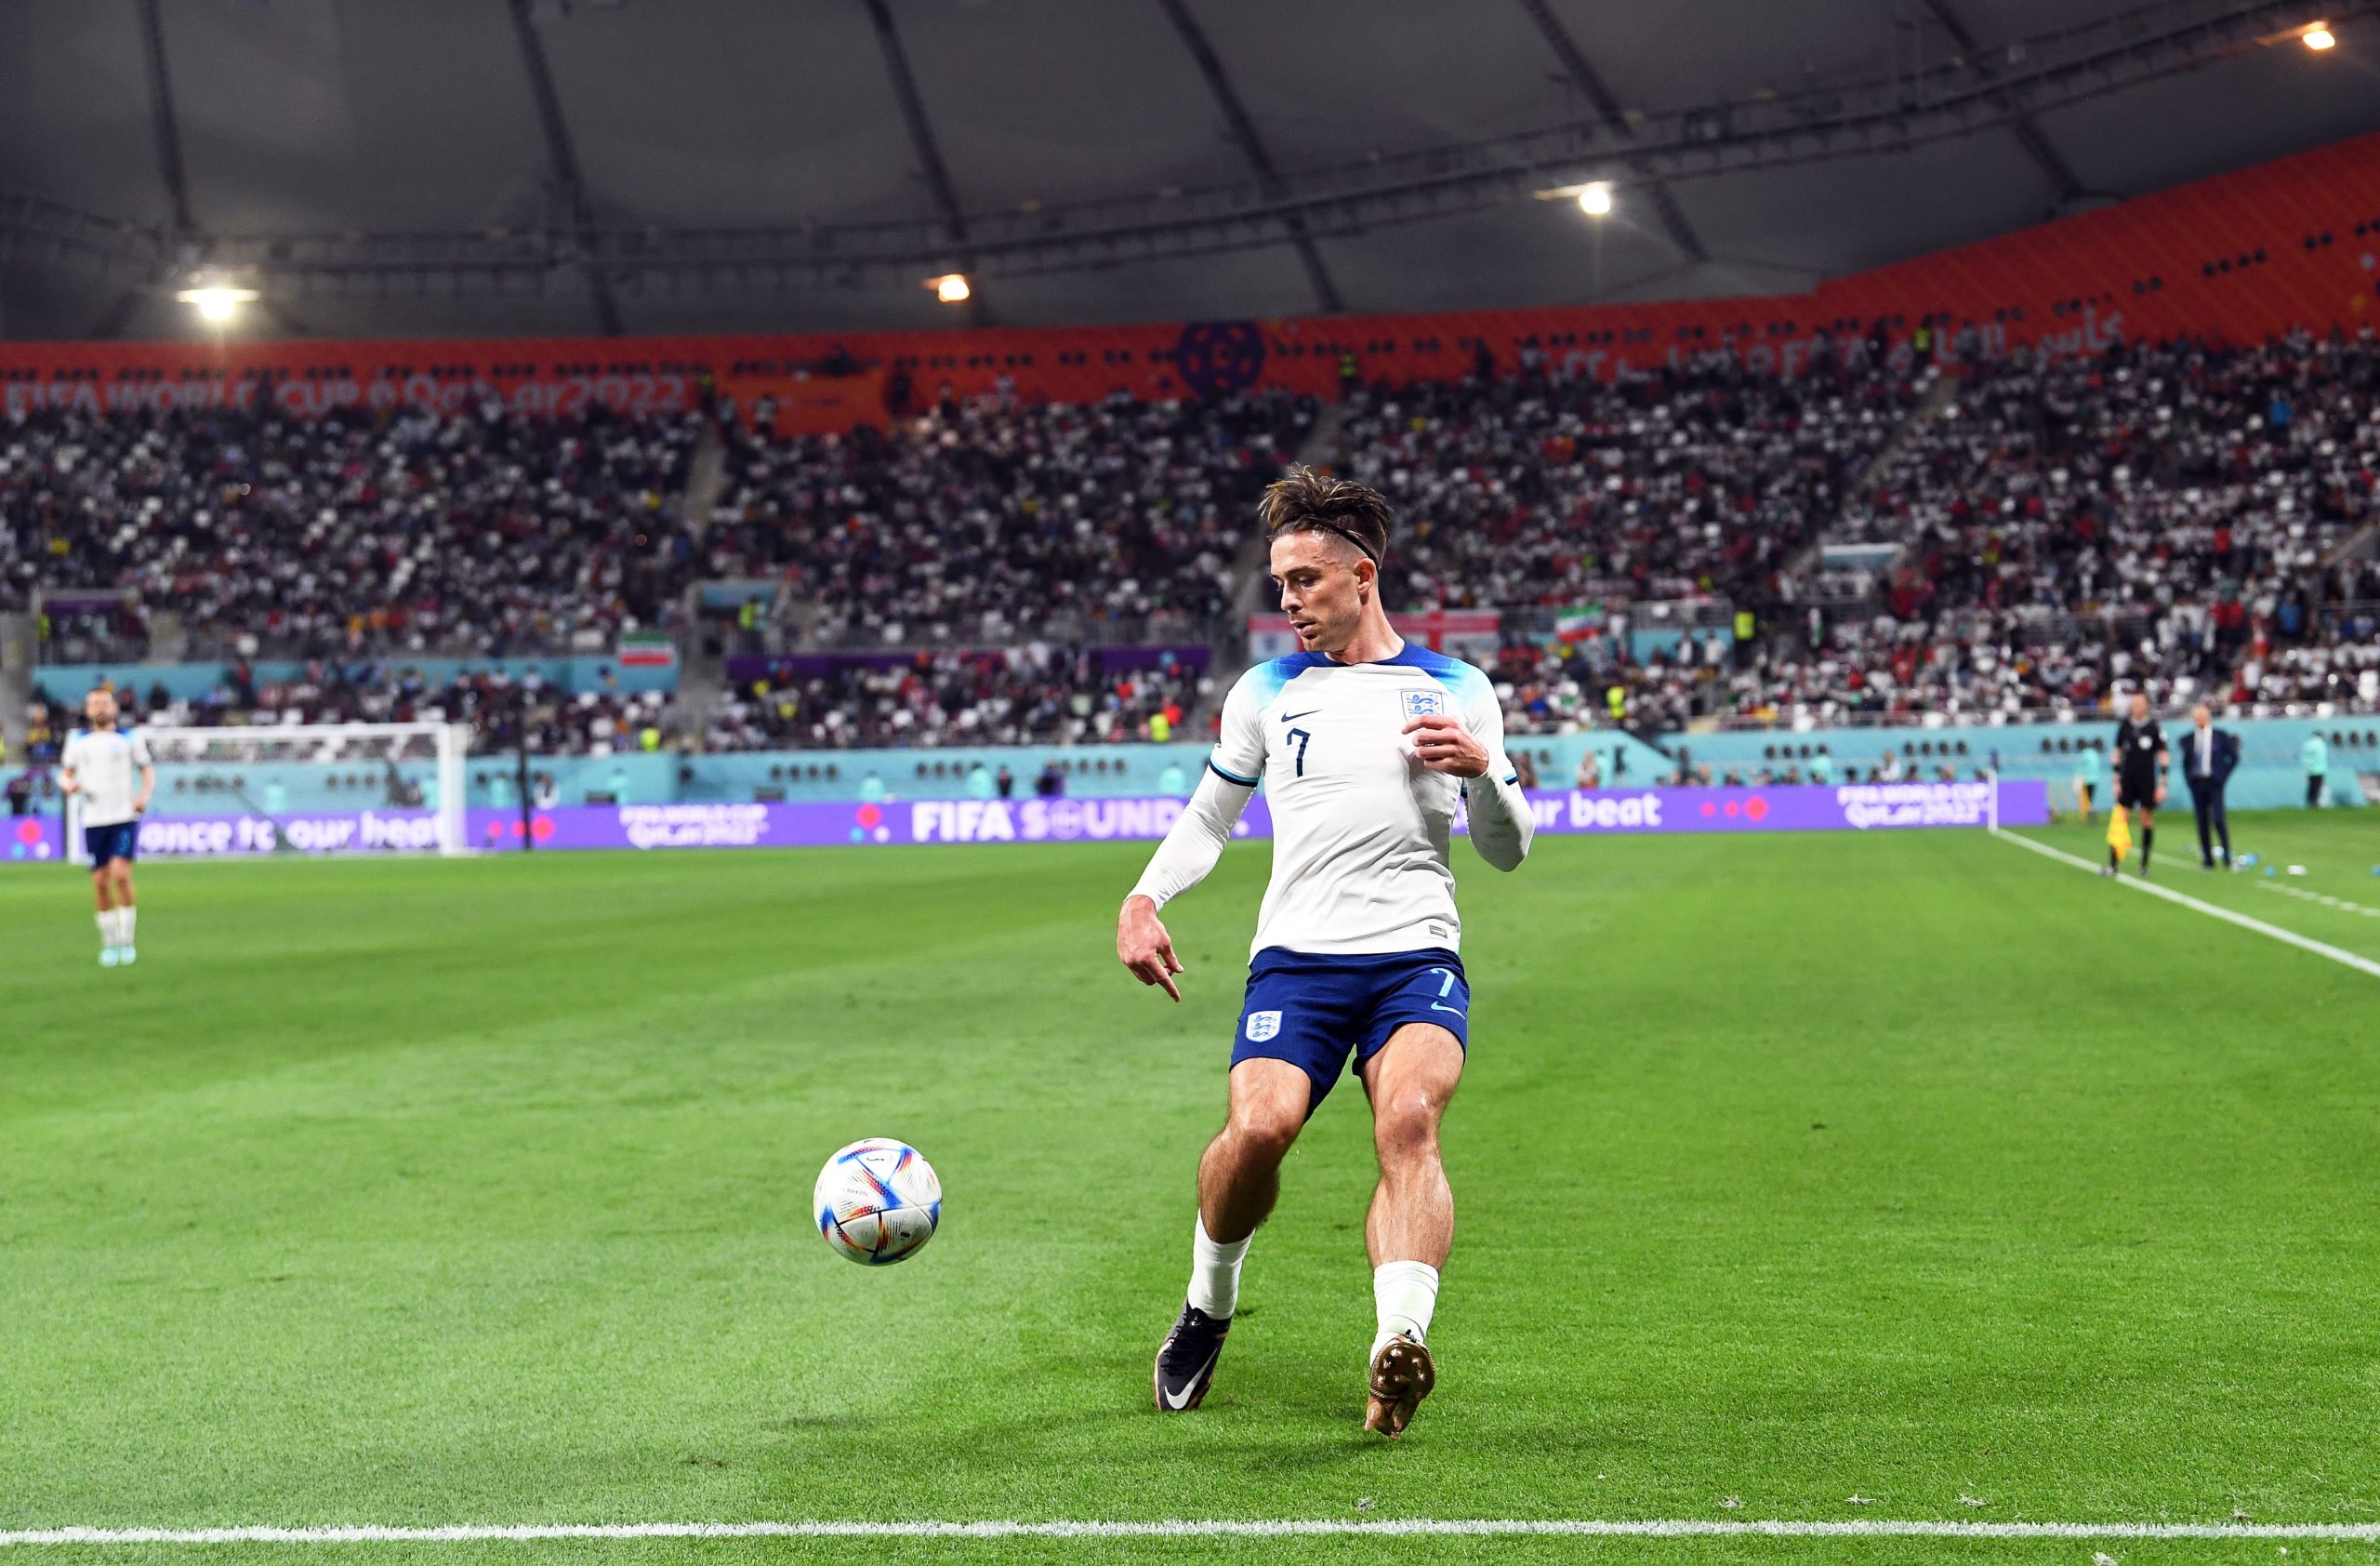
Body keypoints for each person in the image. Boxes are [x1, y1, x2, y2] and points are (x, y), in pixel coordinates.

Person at [1117, 466, 1533, 1440]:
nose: (1288, 602)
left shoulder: (1457, 688)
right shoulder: (1267, 691)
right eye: (1280, 583)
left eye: (1304, 580)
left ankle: (1398, 1343)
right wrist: (1143, 898)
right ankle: (1208, 1304)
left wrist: (1483, 774)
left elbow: (1509, 849)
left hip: (1414, 956)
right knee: (1258, 1130)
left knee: (1411, 1122)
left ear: (1362, 576)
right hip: (1297, 959)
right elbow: (1209, 819)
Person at [58, 687, 153, 968]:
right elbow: (65, 774)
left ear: (114, 708)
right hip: (93, 820)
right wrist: (68, 785)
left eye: (104, 703)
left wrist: (143, 796)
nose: (100, 707)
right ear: (87, 710)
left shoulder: (130, 738)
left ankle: (127, 940)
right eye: (94, 703)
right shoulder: (77, 740)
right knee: (100, 882)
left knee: (120, 874)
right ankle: (109, 943)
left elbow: (147, 770)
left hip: (123, 817)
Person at [2108, 692, 2168, 878]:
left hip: (2147, 779)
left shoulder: (2153, 728)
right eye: (2134, 704)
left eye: (2141, 704)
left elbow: (2163, 755)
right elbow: (2117, 753)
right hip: (2128, 778)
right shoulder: (2125, 726)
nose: (2137, 707)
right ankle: (2113, 863)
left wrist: (2163, 783)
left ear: (2146, 706)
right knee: (2121, 817)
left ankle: (2144, 864)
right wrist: (2115, 780)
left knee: (2146, 817)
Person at [2177, 703, 2239, 869]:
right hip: (2197, 783)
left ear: (2209, 717)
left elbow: (2233, 757)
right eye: (2197, 717)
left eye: (2202, 716)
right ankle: (2208, 859)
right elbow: (2186, 762)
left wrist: (2222, 776)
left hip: (2214, 783)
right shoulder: (2189, 739)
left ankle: (2227, 856)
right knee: (2202, 821)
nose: (2200, 719)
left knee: (2218, 819)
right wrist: (2189, 779)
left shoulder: (2220, 736)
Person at [2074, 741, 2102, 824]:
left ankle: (2087, 812)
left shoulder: (2085, 753)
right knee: (2090, 797)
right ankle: (2090, 811)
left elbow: (2081, 766)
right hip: (2095, 779)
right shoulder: (2095, 754)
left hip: (2086, 779)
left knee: (2085, 797)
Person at [2302, 729, 2329, 809]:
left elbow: (2305, 757)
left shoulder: (2307, 744)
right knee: (2317, 787)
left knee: (2311, 787)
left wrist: (2306, 769)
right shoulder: (2321, 744)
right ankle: (2315, 802)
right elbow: (2322, 758)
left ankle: (2310, 802)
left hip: (2309, 769)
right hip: (2319, 769)